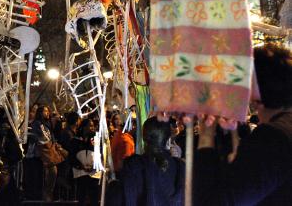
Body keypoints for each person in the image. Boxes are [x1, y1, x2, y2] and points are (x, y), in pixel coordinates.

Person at [194, 44, 292, 205]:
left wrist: (205, 138)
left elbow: (216, 201)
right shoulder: (281, 131)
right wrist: (233, 135)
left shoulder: (273, 139)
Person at [108, 116, 185, 206]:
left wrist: (112, 185)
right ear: (168, 140)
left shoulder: (133, 166)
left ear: (144, 139)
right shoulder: (180, 167)